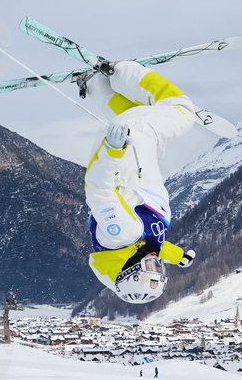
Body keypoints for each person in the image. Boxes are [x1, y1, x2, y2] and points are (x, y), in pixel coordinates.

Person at [81, 61, 197, 304]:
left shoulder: (123, 234)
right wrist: (179, 257)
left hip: (126, 155)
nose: (156, 263)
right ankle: (93, 83)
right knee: (131, 112)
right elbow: (155, 245)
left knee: (182, 110)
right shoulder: (130, 247)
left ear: (130, 268)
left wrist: (113, 150)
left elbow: (98, 190)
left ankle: (122, 70)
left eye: (150, 267)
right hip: (139, 159)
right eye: (158, 268)